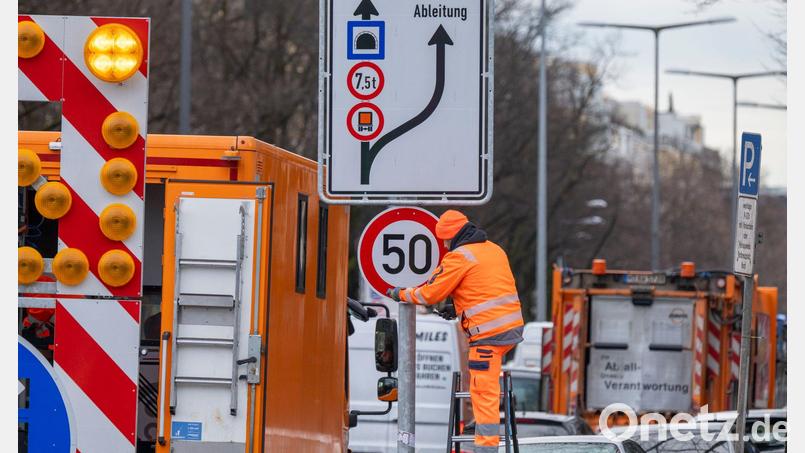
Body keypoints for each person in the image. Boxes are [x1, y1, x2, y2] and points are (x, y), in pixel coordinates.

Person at [386, 209, 524, 452]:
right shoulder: (493, 249)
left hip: (487, 336)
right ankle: (479, 428)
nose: (445, 245)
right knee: (482, 387)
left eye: (445, 241)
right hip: (509, 329)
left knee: (484, 391)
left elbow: (429, 294)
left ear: (451, 237)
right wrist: (458, 307)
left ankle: (486, 447)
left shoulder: (459, 257)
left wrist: (400, 293)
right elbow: (484, 288)